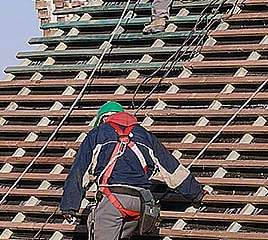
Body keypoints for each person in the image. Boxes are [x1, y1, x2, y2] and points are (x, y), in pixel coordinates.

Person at [60, 101, 205, 240]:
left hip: (112, 200)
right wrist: (197, 193)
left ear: (103, 119)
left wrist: (69, 206)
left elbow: (79, 171)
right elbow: (172, 169)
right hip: (140, 202)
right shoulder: (145, 135)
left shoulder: (97, 134)